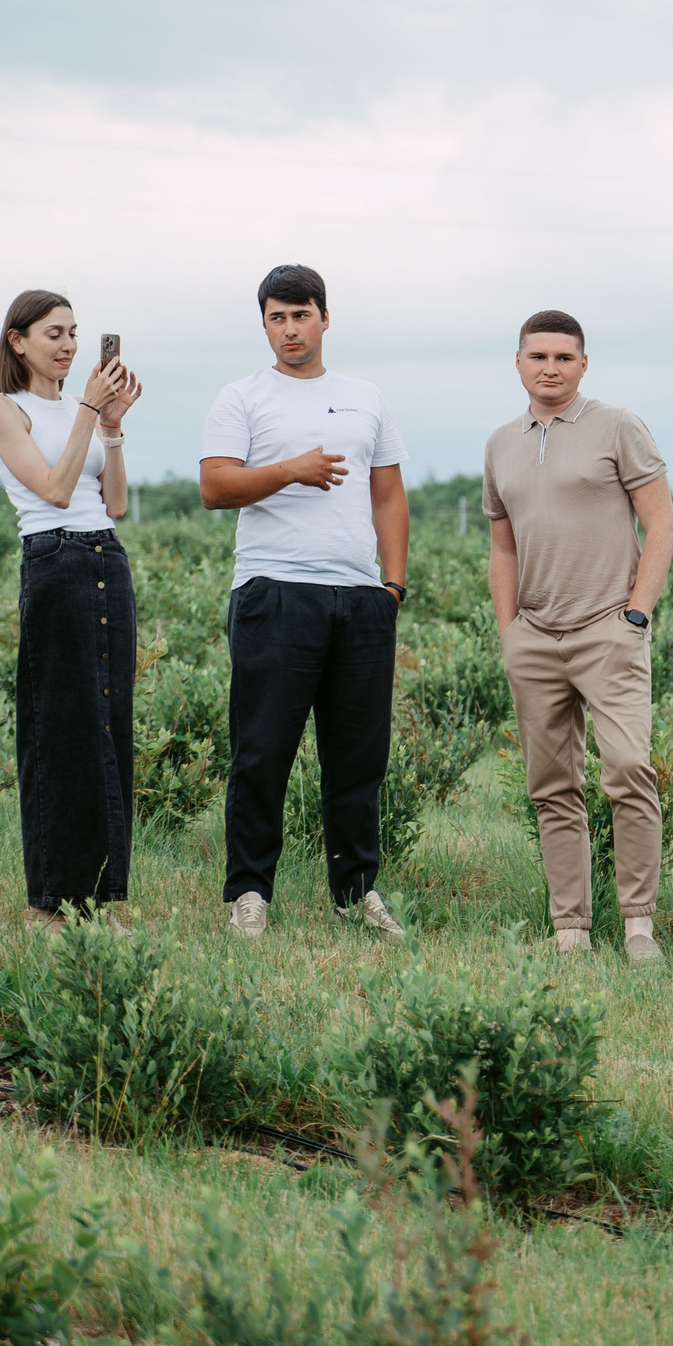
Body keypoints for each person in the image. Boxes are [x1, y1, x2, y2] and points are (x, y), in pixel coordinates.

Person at [201, 265, 410, 940]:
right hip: (274, 591)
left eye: (301, 315)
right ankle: (249, 893)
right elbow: (215, 487)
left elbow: (388, 494)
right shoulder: (242, 398)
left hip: (360, 597)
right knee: (262, 753)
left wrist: (392, 587)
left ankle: (356, 894)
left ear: (324, 317)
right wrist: (291, 470)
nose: (289, 329)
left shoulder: (366, 398)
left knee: (358, 757)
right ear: (264, 323)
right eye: (277, 317)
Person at [482, 310, 673, 963]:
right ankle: (571, 929)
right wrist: (510, 632)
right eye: (538, 356)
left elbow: (662, 524)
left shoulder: (618, 427)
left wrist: (636, 615)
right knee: (551, 785)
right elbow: (502, 547)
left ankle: (639, 926)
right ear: (518, 363)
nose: (551, 368)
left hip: (607, 630)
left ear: (584, 364)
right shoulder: (500, 444)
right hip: (535, 637)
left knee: (628, 770)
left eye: (564, 357)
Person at [0, 289, 143, 923]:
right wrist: (87, 411)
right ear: (18, 341)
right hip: (54, 559)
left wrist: (112, 428)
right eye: (54, 334)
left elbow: (116, 504)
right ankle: (48, 902)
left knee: (109, 727)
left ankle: (100, 898)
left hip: (106, 558)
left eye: (73, 333)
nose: (69, 345)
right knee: (58, 729)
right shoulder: (5, 409)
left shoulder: (83, 411)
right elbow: (53, 490)